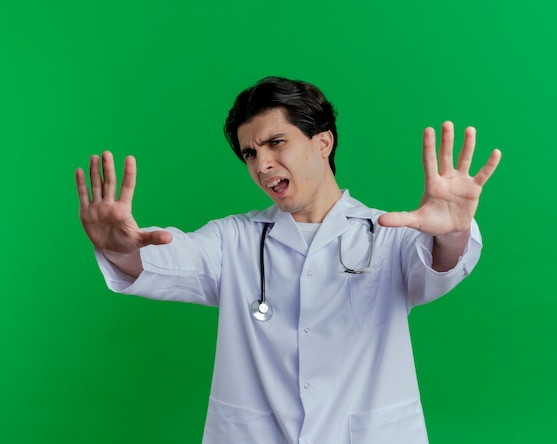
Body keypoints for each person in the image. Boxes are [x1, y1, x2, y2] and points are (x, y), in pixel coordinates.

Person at [75, 76, 501, 444]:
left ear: (323, 142)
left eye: (276, 142)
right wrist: (119, 247)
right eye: (249, 153)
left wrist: (452, 229)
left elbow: (440, 263)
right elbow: (160, 264)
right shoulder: (234, 238)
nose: (262, 165)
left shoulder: (387, 233)